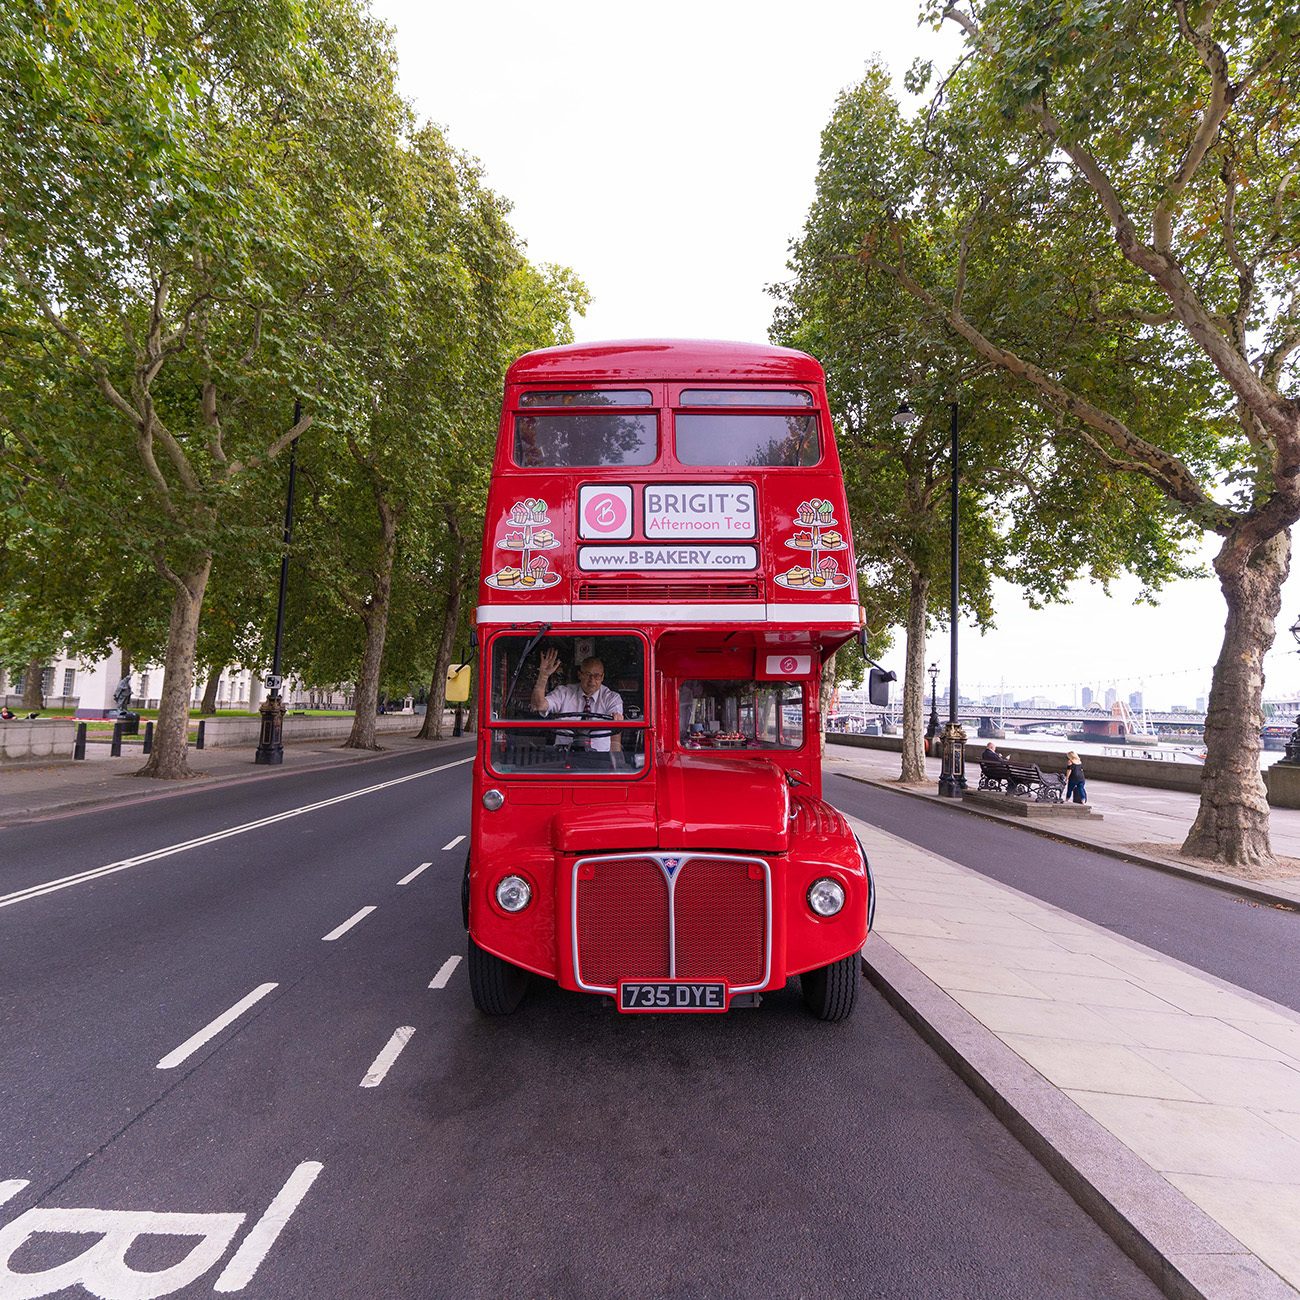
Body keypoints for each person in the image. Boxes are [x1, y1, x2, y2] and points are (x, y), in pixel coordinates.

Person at [532, 648, 623, 757]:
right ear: (579, 674)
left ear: (602, 677)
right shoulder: (564, 693)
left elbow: (616, 722)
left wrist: (616, 717)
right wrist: (543, 676)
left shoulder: (612, 698)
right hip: (563, 757)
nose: (592, 680)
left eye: (597, 676)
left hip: (599, 759)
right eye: (588, 674)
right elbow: (539, 706)